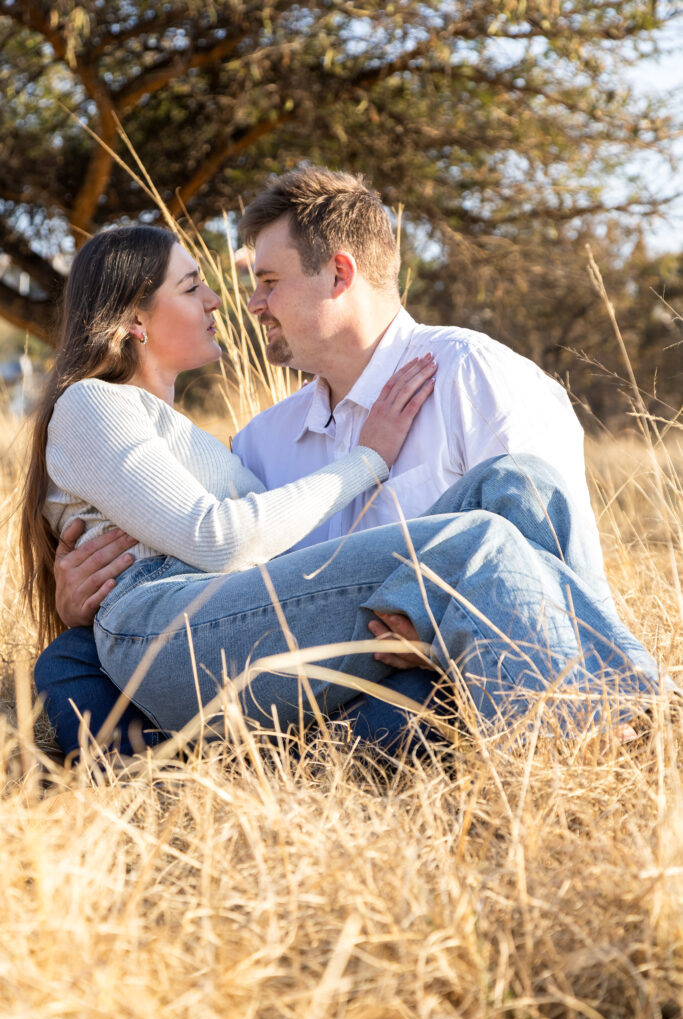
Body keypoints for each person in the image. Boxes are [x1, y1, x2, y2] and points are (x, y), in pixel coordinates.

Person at [32, 171, 662, 756]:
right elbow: (217, 539)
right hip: (177, 627)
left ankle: (631, 702)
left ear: (338, 274)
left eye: (266, 281)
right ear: (136, 318)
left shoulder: (471, 375)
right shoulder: (98, 403)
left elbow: (260, 563)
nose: (233, 302)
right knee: (478, 544)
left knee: (521, 486)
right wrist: (369, 459)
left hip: (292, 642)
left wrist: (431, 618)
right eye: (195, 286)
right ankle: (579, 748)